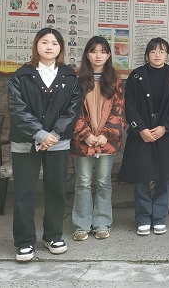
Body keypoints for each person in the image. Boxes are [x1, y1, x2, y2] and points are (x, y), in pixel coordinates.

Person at [8, 28, 83, 262]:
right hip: (25, 141)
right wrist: (40, 134)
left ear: (61, 48)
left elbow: (73, 109)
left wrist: (54, 134)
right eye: (44, 42)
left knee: (56, 190)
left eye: (54, 43)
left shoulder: (70, 77)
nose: (49, 47)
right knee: (24, 192)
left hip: (57, 143)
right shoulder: (21, 76)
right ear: (36, 45)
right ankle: (24, 242)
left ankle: (53, 236)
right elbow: (17, 109)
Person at [118, 38, 169, 236]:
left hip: (165, 134)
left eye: (162, 51)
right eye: (153, 51)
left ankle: (159, 217)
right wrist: (141, 128)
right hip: (142, 133)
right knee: (141, 177)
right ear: (147, 54)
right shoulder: (136, 76)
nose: (157, 55)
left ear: (167, 55)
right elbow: (129, 105)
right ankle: (143, 217)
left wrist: (166, 127)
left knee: (165, 178)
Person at [70, 36, 126, 242]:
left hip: (106, 141)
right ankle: (81, 225)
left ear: (109, 55)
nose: (98, 55)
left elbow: (120, 110)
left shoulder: (115, 79)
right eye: (94, 51)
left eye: (103, 52)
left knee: (103, 182)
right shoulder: (76, 78)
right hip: (82, 140)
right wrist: (85, 135)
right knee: (83, 182)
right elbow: (71, 110)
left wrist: (105, 135)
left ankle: (102, 223)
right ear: (87, 54)